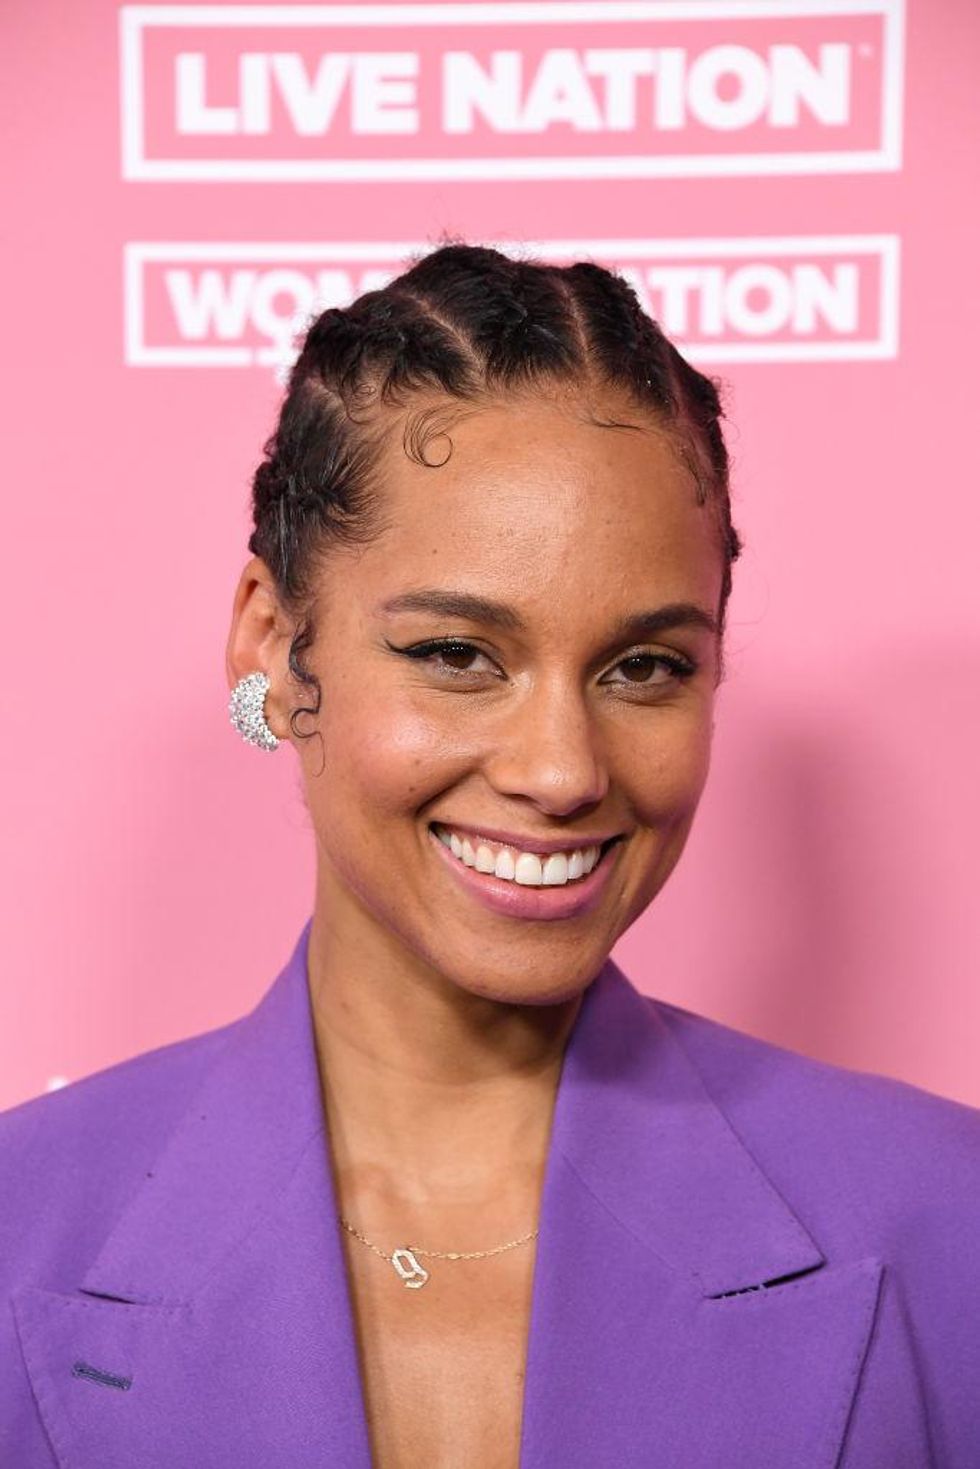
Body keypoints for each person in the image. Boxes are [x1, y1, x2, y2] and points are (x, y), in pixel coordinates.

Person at [1, 244, 978, 1469]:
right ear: (272, 643)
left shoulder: (947, 1222)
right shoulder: (22, 1224)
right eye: (457, 654)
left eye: (644, 666)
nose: (561, 769)